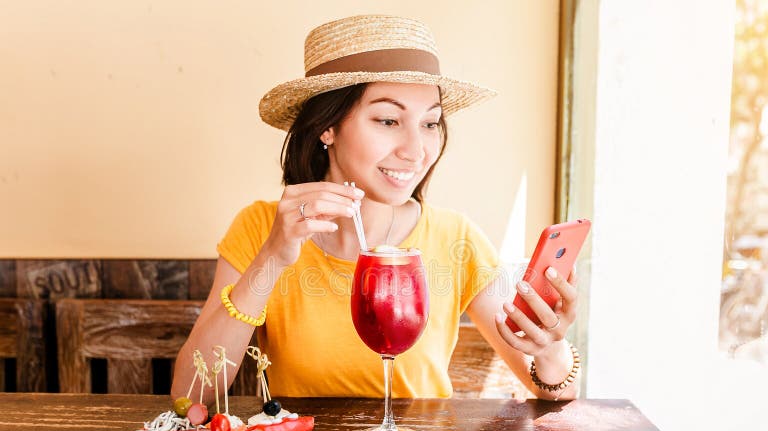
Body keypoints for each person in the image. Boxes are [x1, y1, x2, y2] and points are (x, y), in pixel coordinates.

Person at [171, 14, 581, 401]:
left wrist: (549, 349)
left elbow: (556, 391)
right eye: (388, 120)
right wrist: (273, 259)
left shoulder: (456, 239)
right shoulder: (261, 228)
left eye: (430, 123)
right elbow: (190, 396)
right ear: (326, 128)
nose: (416, 151)